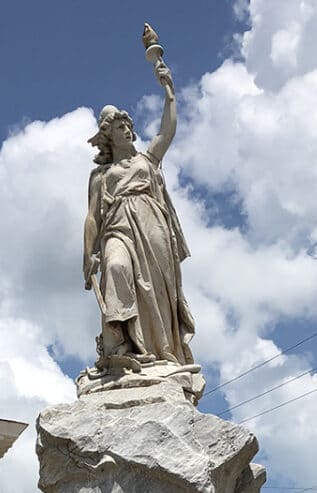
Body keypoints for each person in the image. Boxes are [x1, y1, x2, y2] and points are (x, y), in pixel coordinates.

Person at [83, 63, 195, 367]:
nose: (128, 129)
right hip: (117, 228)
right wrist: (88, 254)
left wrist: (168, 90)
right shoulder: (101, 175)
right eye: (121, 127)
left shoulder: (147, 160)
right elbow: (93, 216)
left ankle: (159, 352)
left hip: (151, 223)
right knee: (116, 268)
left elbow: (166, 131)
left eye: (129, 125)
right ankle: (122, 346)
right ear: (109, 136)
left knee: (158, 291)